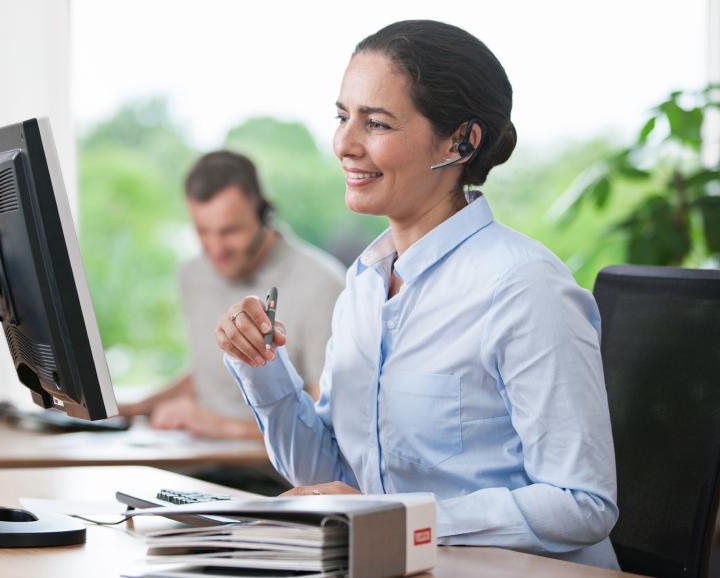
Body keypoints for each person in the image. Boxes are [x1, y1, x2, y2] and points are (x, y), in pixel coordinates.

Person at [214, 20, 620, 570]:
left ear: (461, 141)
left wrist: (397, 517)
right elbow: (330, 474)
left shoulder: (524, 288)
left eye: (376, 123)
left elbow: (583, 503)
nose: (344, 144)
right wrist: (261, 367)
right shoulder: (362, 286)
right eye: (342, 116)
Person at [120, 151, 345, 440]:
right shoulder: (193, 274)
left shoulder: (322, 286)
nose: (215, 249)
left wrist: (218, 425)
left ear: (265, 214)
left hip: (266, 475)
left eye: (230, 231)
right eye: (202, 231)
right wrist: (132, 408)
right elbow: (210, 376)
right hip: (197, 457)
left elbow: (326, 429)